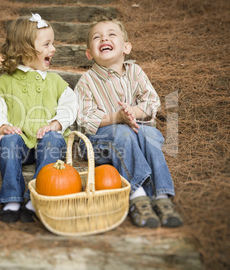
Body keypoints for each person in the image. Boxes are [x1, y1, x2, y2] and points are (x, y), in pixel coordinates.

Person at [74, 18, 183, 228]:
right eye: (97, 37)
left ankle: (162, 198)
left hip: (137, 135)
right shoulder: (86, 81)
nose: (104, 38)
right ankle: (138, 197)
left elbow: (152, 102)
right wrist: (118, 118)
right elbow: (86, 119)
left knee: (149, 135)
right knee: (122, 132)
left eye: (111, 34)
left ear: (126, 47)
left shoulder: (136, 72)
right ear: (90, 54)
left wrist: (133, 112)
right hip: (101, 143)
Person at [0, 14, 78, 223]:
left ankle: (35, 198)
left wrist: (57, 123)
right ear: (25, 49)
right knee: (9, 142)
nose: (53, 49)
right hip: (22, 145)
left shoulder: (55, 81)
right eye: (46, 44)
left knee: (53, 139)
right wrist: (2, 126)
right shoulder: (5, 83)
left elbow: (70, 105)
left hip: (48, 144)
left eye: (52, 43)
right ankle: (11, 199)